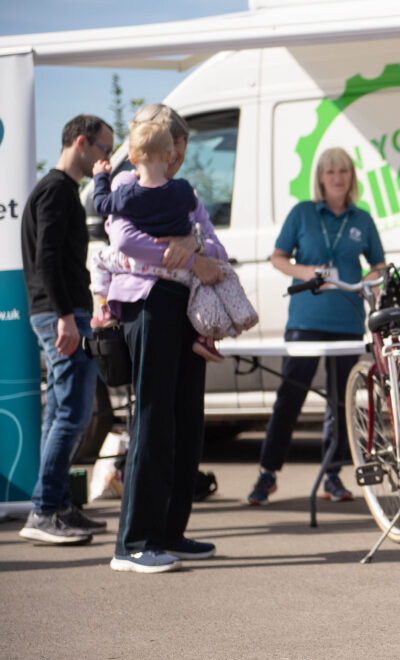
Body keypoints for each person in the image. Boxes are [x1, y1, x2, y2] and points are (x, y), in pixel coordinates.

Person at [104, 103, 231, 573]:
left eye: (181, 152)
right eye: (175, 149)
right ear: (156, 144)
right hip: (148, 305)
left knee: (185, 425)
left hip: (184, 311)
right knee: (153, 423)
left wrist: (195, 246)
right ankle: (133, 543)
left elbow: (217, 245)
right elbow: (123, 242)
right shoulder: (123, 184)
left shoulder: (183, 190)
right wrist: (186, 254)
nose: (178, 159)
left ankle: (170, 533)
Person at [247, 146, 386, 506]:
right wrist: (305, 272)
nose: (337, 177)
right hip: (305, 322)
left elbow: (379, 265)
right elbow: (278, 258)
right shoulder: (303, 213)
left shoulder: (362, 219)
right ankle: (268, 473)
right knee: (289, 399)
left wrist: (366, 281)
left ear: (351, 177)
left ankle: (333, 476)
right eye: (330, 172)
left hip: (346, 321)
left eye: (343, 171)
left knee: (341, 402)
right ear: (320, 178)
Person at [18, 114, 115, 545]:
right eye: (104, 149)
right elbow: (48, 259)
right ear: (82, 142)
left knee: (62, 413)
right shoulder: (56, 191)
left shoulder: (57, 190)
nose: (107, 159)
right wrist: (63, 316)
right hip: (62, 313)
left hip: (62, 310)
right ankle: (44, 512)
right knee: (73, 413)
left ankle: (55, 504)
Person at [89, 119, 257, 360]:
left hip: (143, 266)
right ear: (169, 155)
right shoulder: (183, 191)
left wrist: (100, 177)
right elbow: (128, 238)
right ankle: (209, 337)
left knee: (97, 260)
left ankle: (104, 308)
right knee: (212, 281)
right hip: (175, 278)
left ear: (132, 158)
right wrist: (191, 248)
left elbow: (102, 205)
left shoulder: (127, 194)